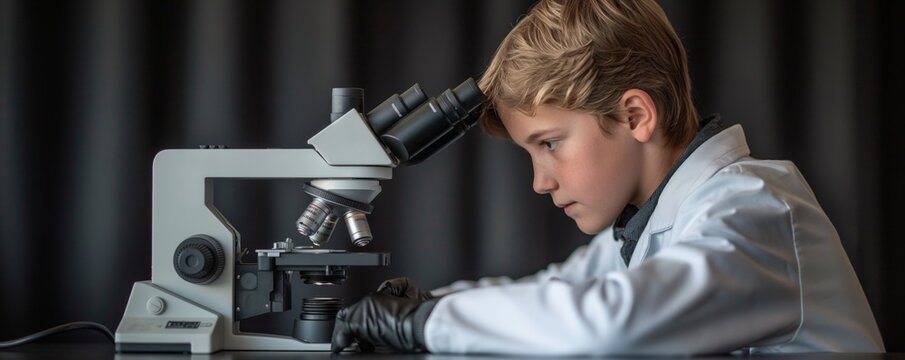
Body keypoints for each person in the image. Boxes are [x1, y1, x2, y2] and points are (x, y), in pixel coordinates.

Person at [331, 0, 885, 355]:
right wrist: (428, 303)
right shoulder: (640, 233)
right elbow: (556, 293)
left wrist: (424, 324)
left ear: (634, 116)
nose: (539, 182)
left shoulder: (755, 210)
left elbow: (607, 325)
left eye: (549, 144)